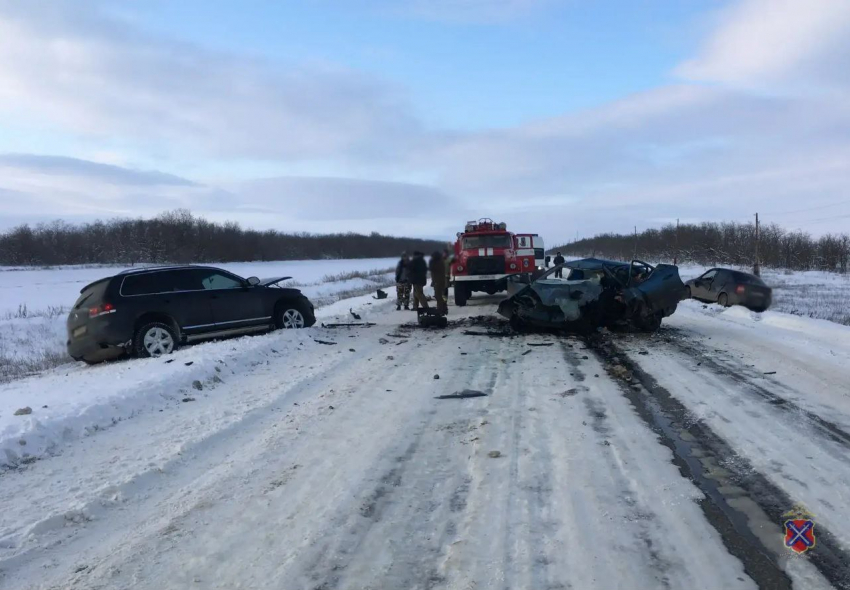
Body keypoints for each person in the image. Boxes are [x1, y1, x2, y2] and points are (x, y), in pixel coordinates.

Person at [430, 251, 448, 316]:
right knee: (439, 295)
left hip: (438, 281)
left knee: (438, 296)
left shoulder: (437, 263)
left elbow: (432, 269)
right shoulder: (441, 262)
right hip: (440, 280)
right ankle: (442, 308)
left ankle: (441, 309)